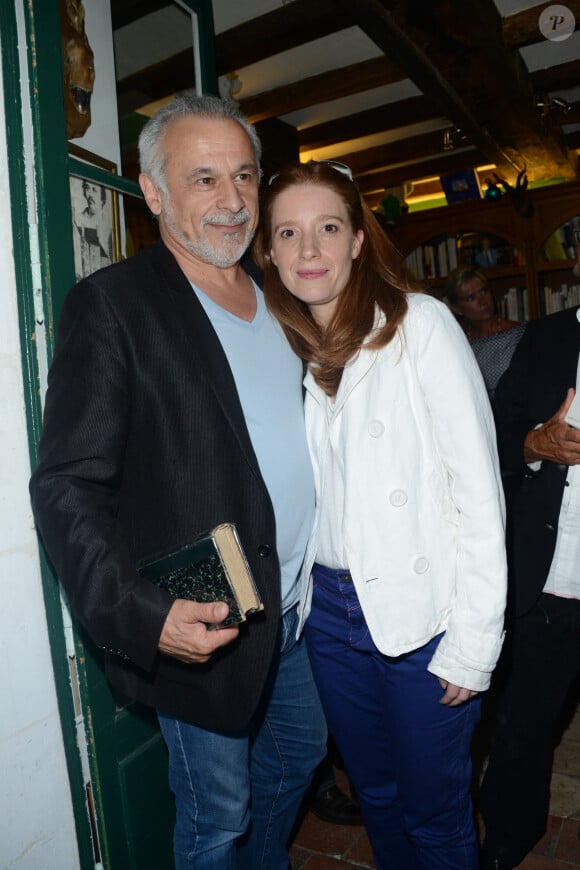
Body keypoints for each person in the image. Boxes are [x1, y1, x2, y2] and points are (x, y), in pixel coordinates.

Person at [29, 93, 326, 870]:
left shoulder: (284, 298)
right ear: (154, 193)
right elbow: (66, 484)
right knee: (216, 819)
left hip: (296, 610)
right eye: (203, 180)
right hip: (207, 625)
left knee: (298, 753)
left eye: (244, 177)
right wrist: (143, 615)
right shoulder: (115, 305)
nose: (231, 201)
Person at [254, 160, 507, 869]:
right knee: (378, 795)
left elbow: (479, 494)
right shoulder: (280, 351)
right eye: (289, 233)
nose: (309, 251)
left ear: (358, 239)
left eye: (328, 228)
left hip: (423, 611)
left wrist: (475, 640)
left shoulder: (419, 325)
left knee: (435, 811)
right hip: (329, 615)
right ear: (267, 252)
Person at [479, 305, 580, 870]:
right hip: (551, 575)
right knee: (524, 720)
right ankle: (508, 835)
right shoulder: (545, 338)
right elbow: (493, 433)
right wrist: (536, 444)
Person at [446, 267, 525, 400]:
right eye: (471, 298)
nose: (483, 301)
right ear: (457, 308)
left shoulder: (520, 333)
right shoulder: (459, 346)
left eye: (484, 291)